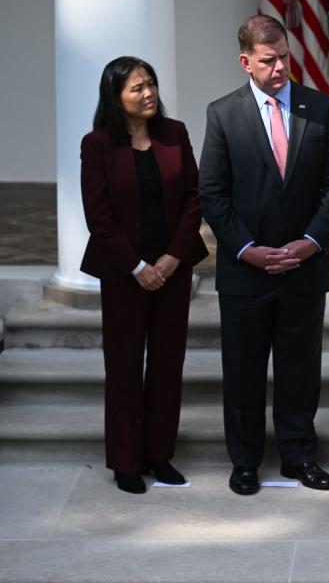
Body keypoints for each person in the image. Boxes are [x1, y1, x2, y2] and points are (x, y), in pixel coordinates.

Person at [199, 14, 329, 496]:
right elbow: (213, 192)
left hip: (304, 269)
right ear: (246, 62)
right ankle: (245, 461)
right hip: (246, 273)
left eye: (284, 55)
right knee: (243, 372)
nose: (281, 66)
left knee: (300, 369)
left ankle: (299, 456)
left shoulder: (320, 108)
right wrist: (248, 250)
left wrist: (311, 242)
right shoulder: (223, 114)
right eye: (269, 60)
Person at [80, 56, 208, 494]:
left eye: (150, 84)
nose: (149, 93)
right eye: (137, 88)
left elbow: (195, 197)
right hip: (123, 273)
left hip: (172, 267)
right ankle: (126, 461)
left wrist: (173, 258)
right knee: (124, 366)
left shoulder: (175, 134)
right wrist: (136, 267)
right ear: (116, 97)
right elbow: (98, 216)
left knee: (168, 364)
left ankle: (159, 455)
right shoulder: (97, 145)